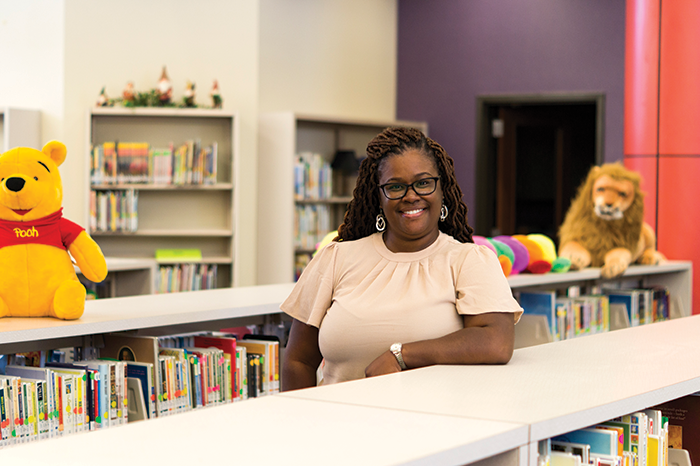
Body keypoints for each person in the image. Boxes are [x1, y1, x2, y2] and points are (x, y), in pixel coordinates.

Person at [281, 127, 522, 391]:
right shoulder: (336, 258)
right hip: (339, 425)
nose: (411, 196)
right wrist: (300, 425)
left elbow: (496, 342)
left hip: (437, 426)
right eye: (395, 187)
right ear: (379, 197)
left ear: (441, 188)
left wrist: (402, 355)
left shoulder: (468, 260)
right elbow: (298, 360)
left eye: (423, 183)